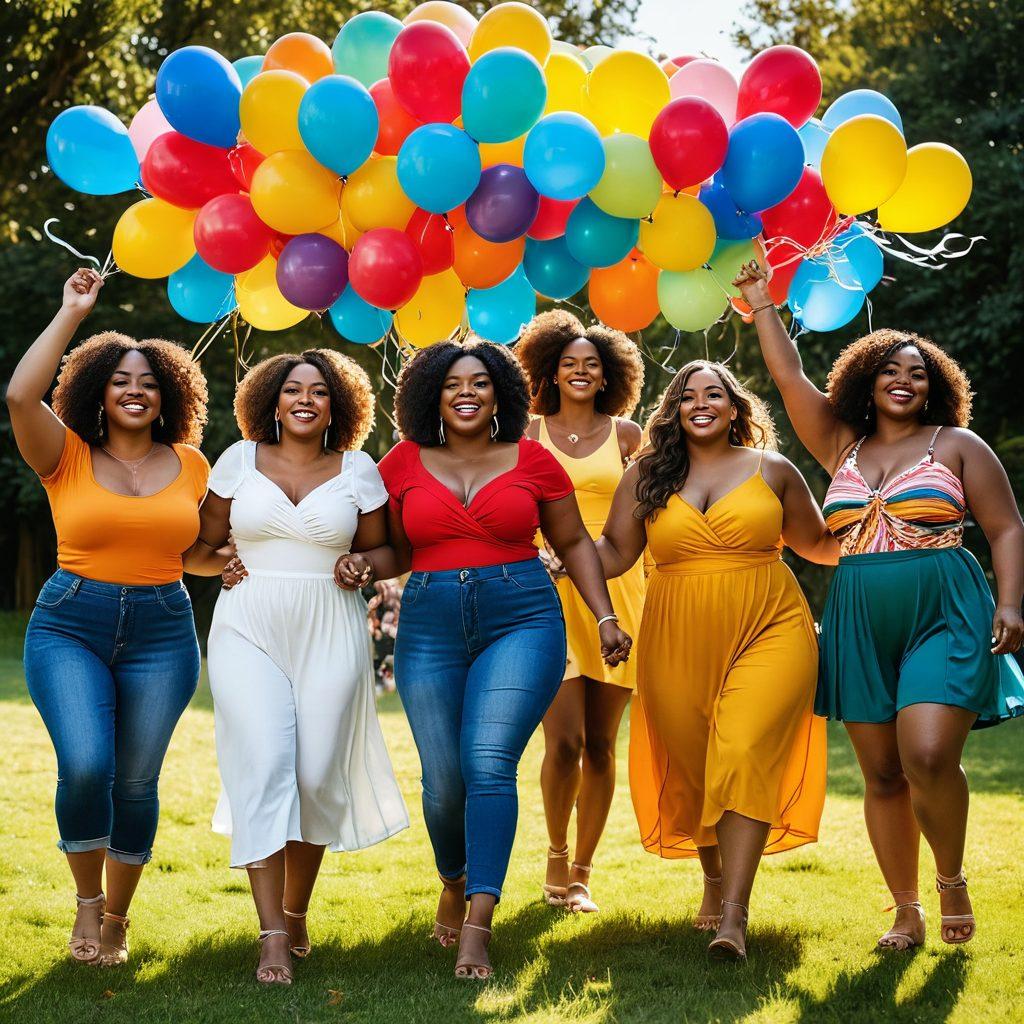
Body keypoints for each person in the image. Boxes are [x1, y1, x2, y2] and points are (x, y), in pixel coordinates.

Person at [734, 261, 1024, 950]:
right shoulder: (842, 446)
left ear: (937, 387)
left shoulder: (956, 446)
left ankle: (950, 879)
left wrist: (1011, 605)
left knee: (924, 753)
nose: (905, 378)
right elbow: (788, 380)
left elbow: (1007, 527)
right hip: (859, 614)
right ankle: (906, 908)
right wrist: (761, 304)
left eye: (920, 371)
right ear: (866, 381)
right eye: (892, 369)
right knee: (883, 772)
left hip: (945, 608)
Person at [335, 339, 631, 980]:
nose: (466, 392)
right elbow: (393, 553)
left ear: (502, 393)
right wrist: (362, 564)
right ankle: (454, 877)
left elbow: (574, 540)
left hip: (521, 616)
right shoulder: (403, 463)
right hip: (431, 623)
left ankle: (478, 920)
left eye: (479, 382)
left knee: (488, 763)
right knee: (443, 780)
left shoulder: (533, 459)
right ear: (430, 397)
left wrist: (604, 615)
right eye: (451, 384)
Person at [6, 268, 217, 966]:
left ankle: (119, 920)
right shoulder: (63, 453)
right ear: (99, 389)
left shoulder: (192, 464)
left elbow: (193, 555)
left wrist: (230, 562)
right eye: (122, 378)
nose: (135, 388)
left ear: (168, 396)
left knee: (136, 780)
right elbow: (17, 393)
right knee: (88, 763)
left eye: (149, 380)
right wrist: (72, 312)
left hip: (163, 627)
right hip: (72, 623)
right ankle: (87, 906)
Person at [596, 360, 833, 960]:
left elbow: (820, 545)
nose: (701, 403)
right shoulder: (646, 476)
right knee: (698, 762)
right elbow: (616, 552)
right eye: (687, 396)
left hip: (770, 623)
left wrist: (893, 531)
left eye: (715, 394)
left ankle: (735, 915)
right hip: (676, 633)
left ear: (736, 408)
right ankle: (713, 880)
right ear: (673, 411)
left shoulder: (773, 470)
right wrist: (554, 556)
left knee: (743, 747)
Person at [200, 350, 408, 985]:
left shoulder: (358, 470)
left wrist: (363, 567)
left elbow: (390, 549)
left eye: (319, 391)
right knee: (263, 765)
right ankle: (269, 937)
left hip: (331, 627)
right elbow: (197, 549)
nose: (305, 399)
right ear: (271, 399)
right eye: (292, 389)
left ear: (337, 405)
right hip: (248, 624)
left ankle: (295, 911)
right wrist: (218, 566)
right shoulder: (237, 461)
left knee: (316, 774)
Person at [515, 310, 645, 913]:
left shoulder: (628, 437)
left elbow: (640, 522)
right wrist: (541, 553)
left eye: (592, 363)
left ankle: (583, 874)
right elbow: (516, 510)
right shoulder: (526, 436)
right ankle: (555, 855)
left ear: (608, 373)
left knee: (600, 744)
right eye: (570, 362)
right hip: (546, 590)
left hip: (617, 590)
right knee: (561, 741)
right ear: (550, 370)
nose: (581, 371)